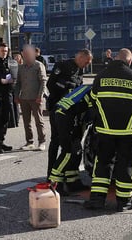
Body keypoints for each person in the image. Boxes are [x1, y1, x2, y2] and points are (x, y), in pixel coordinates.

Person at [84, 48, 132, 212]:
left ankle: (97, 200)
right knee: (126, 165)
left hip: (105, 130)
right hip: (128, 132)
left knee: (102, 164)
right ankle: (124, 202)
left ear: (114, 58)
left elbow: (92, 100)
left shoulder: (100, 77)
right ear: (129, 60)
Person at [46, 49, 93, 178]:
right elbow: (51, 85)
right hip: (58, 108)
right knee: (56, 141)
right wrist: (67, 88)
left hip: (72, 112)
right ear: (81, 57)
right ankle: (51, 173)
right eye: (87, 61)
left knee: (71, 143)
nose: (87, 65)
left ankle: (68, 175)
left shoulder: (80, 70)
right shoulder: (62, 65)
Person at [48, 84, 92, 195]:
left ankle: (73, 182)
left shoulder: (89, 87)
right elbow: (92, 114)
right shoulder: (96, 91)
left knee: (76, 150)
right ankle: (55, 183)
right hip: (65, 116)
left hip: (67, 115)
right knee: (67, 151)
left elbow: (83, 116)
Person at [15, 44, 47, 151]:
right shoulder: (21, 67)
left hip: (36, 98)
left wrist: (40, 96)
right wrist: (17, 95)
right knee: (26, 121)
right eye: (25, 53)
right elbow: (18, 83)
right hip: (24, 98)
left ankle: (42, 142)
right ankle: (29, 142)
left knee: (39, 121)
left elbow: (43, 81)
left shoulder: (38, 65)